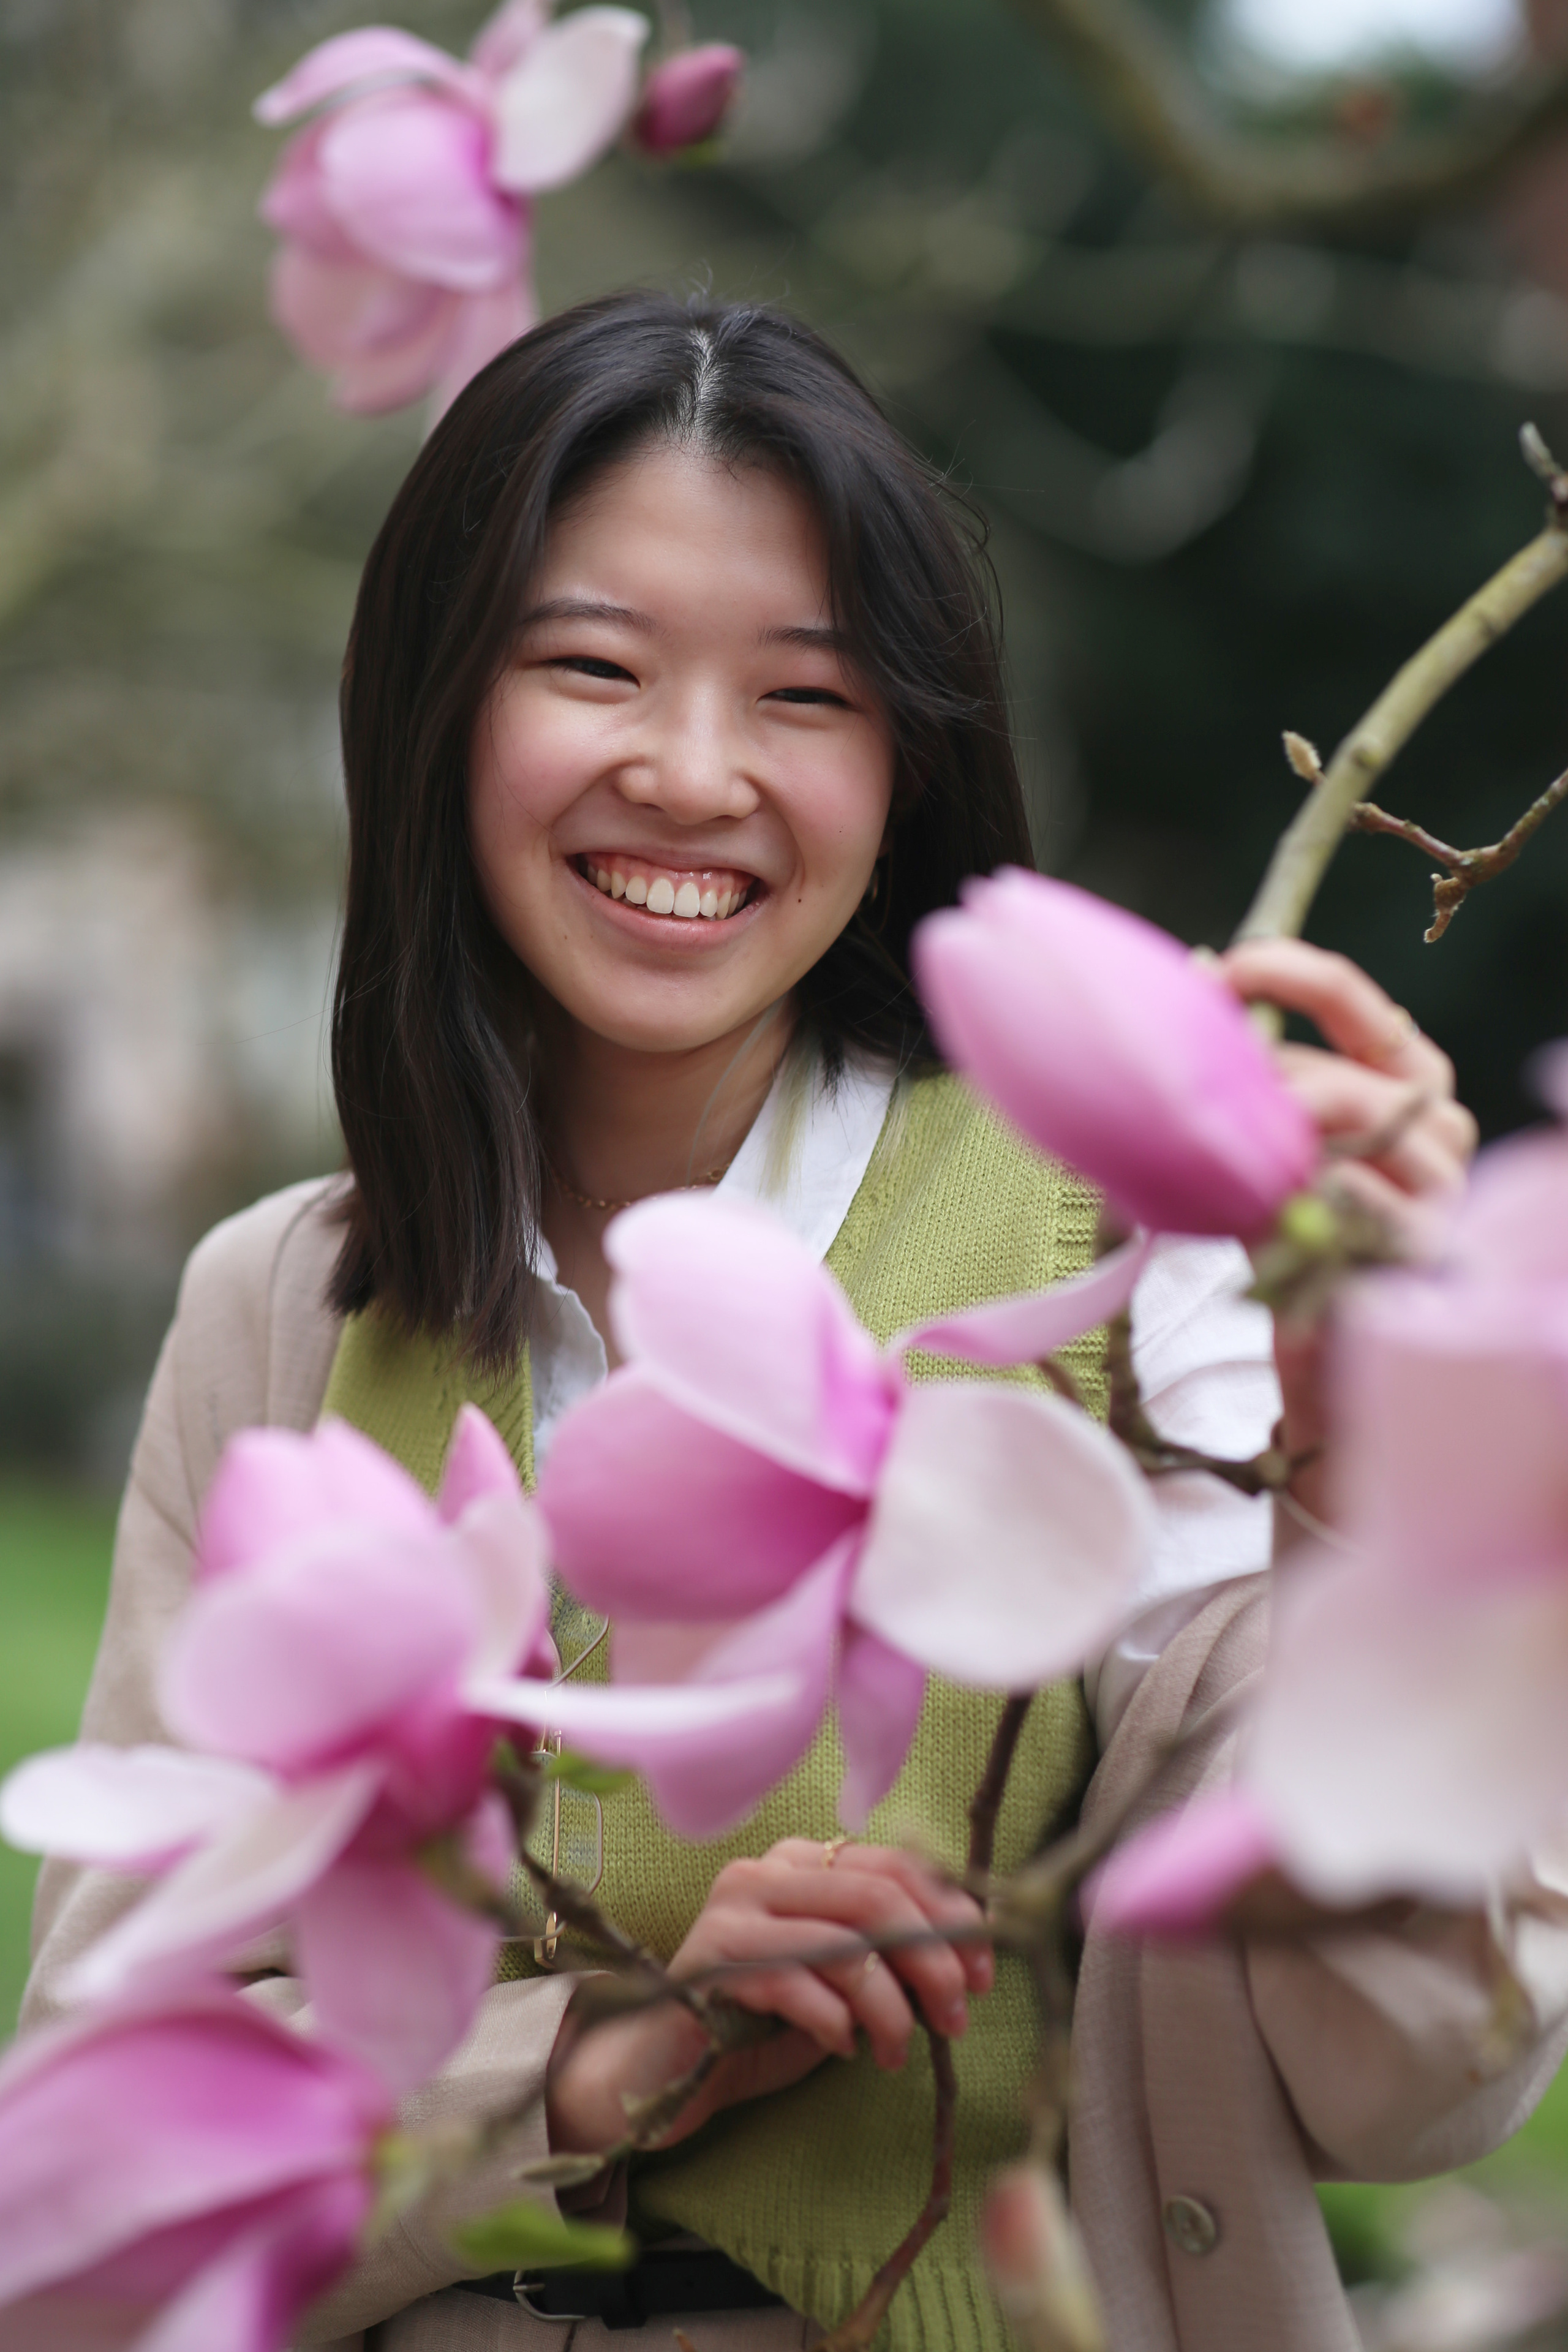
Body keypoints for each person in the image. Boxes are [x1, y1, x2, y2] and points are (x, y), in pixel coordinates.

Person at [23, 293, 1564, 2352]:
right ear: (435, 707)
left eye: (804, 696)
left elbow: (1416, 2085)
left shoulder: (1131, 1258)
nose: (689, 774)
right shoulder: (290, 1310)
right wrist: (591, 2066)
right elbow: (105, 2121)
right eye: (593, 667)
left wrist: (1367, 1465)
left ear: (907, 762)